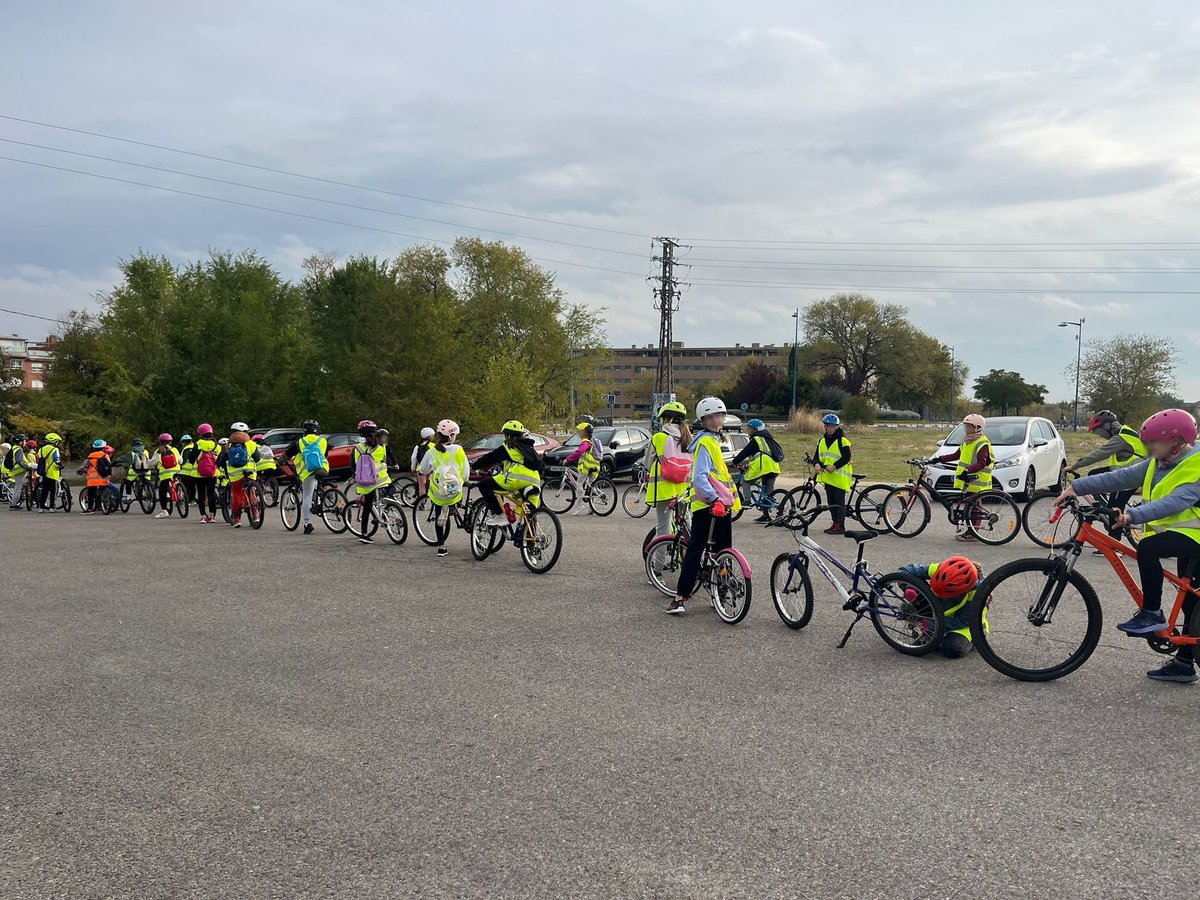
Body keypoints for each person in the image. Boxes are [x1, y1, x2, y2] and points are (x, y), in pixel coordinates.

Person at [1057, 408, 1200, 683]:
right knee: (1191, 603)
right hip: (1186, 537)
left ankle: (1151, 613)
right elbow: (1118, 477)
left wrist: (1132, 516)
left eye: (1153, 442)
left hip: (1195, 536)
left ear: (1175, 442)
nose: (1147, 446)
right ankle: (1184, 664)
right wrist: (1077, 488)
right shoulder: (1159, 461)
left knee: (1148, 549)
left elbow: (1176, 502)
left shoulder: (1195, 466)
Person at [667, 397, 741, 615]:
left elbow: (712, 476)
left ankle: (719, 592)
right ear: (703, 419)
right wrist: (714, 499)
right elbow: (700, 478)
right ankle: (680, 597)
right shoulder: (705, 443)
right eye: (710, 417)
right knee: (697, 550)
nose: (716, 419)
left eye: (719, 415)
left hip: (720, 506)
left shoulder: (713, 441)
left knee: (722, 551)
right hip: (710, 506)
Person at [1067, 410, 1146, 545]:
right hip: (1123, 471)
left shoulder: (1120, 438)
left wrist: (1075, 466)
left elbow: (1100, 454)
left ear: (1107, 427)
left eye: (1098, 431)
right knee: (1093, 475)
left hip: (1129, 478)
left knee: (1114, 507)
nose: (1100, 436)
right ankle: (1103, 509)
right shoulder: (1124, 433)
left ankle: (1114, 543)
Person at [897, 556, 983, 659]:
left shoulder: (978, 592)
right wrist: (910, 587)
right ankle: (933, 634)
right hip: (938, 612)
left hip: (963, 625)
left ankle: (975, 640)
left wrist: (930, 624)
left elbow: (964, 620)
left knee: (953, 649)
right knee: (912, 581)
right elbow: (903, 572)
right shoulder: (942, 569)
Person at [932, 413, 994, 543]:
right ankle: (970, 530)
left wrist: (967, 470)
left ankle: (973, 533)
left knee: (974, 507)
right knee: (969, 506)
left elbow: (982, 463)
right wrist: (939, 459)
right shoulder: (967, 440)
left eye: (969, 426)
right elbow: (957, 455)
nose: (966, 429)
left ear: (977, 427)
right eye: (965, 426)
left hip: (977, 479)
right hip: (968, 479)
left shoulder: (982, 442)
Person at [473, 420, 544, 528]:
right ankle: (531, 540)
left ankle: (500, 515)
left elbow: (489, 458)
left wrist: (474, 466)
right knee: (529, 513)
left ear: (507, 435)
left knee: (484, 485)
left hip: (518, 479)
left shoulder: (509, 447)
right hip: (535, 481)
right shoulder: (528, 448)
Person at [418, 419, 470, 557]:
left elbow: (423, 469)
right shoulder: (458, 450)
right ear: (452, 435)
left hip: (438, 491)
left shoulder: (432, 451)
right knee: (457, 493)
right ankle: (453, 507)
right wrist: (463, 480)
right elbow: (466, 473)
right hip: (455, 490)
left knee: (438, 513)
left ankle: (441, 547)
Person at [645, 402, 692, 539]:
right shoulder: (689, 438)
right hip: (684, 490)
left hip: (663, 490)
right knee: (687, 523)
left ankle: (660, 561)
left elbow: (648, 463)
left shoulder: (658, 437)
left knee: (663, 530)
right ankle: (690, 556)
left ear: (665, 419)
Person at [733, 418, 782, 524]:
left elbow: (745, 452)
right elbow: (759, 455)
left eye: (749, 428)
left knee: (745, 481)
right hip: (773, 467)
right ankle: (766, 516)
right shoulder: (767, 438)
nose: (747, 429)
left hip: (764, 467)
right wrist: (748, 465)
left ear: (755, 430)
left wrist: (735, 461)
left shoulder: (757, 439)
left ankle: (747, 501)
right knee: (767, 492)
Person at [349, 419, 390, 544]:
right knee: (390, 490)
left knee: (367, 506)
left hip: (366, 481)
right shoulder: (380, 447)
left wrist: (353, 476)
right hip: (381, 479)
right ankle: (388, 507)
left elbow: (353, 465)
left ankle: (364, 534)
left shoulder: (357, 448)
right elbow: (384, 460)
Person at [814, 414, 853, 535]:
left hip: (840, 477)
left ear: (836, 427)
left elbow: (847, 457)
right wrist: (816, 464)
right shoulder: (821, 441)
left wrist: (835, 466)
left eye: (833, 426)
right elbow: (817, 456)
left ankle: (840, 525)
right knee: (831, 502)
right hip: (829, 477)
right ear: (825, 427)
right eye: (828, 426)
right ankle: (834, 523)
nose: (830, 428)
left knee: (838, 503)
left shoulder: (842, 440)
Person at [289, 419, 327, 535]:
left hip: (308, 472)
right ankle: (321, 500)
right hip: (323, 469)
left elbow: (288, 454)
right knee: (318, 484)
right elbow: (325, 454)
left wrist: (280, 461)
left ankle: (307, 523)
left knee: (307, 496)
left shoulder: (300, 442)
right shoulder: (323, 441)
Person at [563, 422, 602, 515]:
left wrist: (568, 459)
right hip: (595, 466)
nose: (578, 434)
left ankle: (579, 506)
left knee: (579, 484)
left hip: (586, 467)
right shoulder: (592, 442)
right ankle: (592, 507)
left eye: (580, 432)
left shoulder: (586, 442)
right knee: (591, 486)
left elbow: (579, 452)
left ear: (585, 433)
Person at [225, 423, 259, 528]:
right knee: (252, 492)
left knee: (236, 496)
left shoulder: (227, 445)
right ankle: (256, 515)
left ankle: (236, 519)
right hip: (250, 473)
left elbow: (222, 460)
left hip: (235, 475)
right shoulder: (251, 444)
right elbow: (257, 458)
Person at [193, 424, 221, 523]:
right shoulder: (216, 445)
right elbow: (219, 458)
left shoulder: (198, 444)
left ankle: (203, 516)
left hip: (198, 474)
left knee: (201, 495)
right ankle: (212, 516)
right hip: (212, 473)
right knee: (211, 494)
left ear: (200, 434)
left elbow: (192, 458)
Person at [151, 433, 181, 519]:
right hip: (176, 473)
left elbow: (152, 462)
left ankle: (164, 511)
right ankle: (180, 494)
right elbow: (181, 460)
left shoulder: (158, 451)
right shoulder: (175, 450)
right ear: (170, 442)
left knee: (161, 492)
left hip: (165, 475)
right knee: (176, 484)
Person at [78, 438, 113, 513]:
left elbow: (85, 465)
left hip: (93, 479)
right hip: (104, 477)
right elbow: (109, 465)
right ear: (103, 447)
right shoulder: (106, 455)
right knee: (102, 490)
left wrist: (79, 470)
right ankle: (100, 506)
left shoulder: (91, 456)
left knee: (91, 493)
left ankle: (90, 508)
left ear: (94, 448)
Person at [36, 432, 63, 512]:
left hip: (43, 472)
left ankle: (41, 507)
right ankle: (52, 507)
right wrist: (61, 465)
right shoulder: (55, 449)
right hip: (53, 472)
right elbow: (56, 460)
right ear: (54, 441)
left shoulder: (41, 449)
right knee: (53, 490)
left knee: (44, 490)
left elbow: (38, 459)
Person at [124, 438, 153, 506]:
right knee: (147, 483)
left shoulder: (131, 453)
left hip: (134, 472)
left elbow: (124, 459)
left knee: (128, 482)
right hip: (146, 471)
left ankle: (128, 497)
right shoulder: (146, 451)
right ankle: (150, 498)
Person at [412, 427, 436, 495]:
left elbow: (414, 458)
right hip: (431, 468)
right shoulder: (433, 445)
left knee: (422, 486)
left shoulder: (418, 446)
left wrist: (413, 468)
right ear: (429, 437)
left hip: (421, 469)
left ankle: (421, 502)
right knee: (431, 485)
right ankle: (432, 498)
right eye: (432, 436)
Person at [178, 434, 198, 505]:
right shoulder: (195, 447)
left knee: (185, 487)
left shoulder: (186, 449)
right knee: (192, 486)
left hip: (186, 471)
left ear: (184, 442)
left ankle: (186, 500)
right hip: (194, 470)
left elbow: (183, 460)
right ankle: (192, 500)